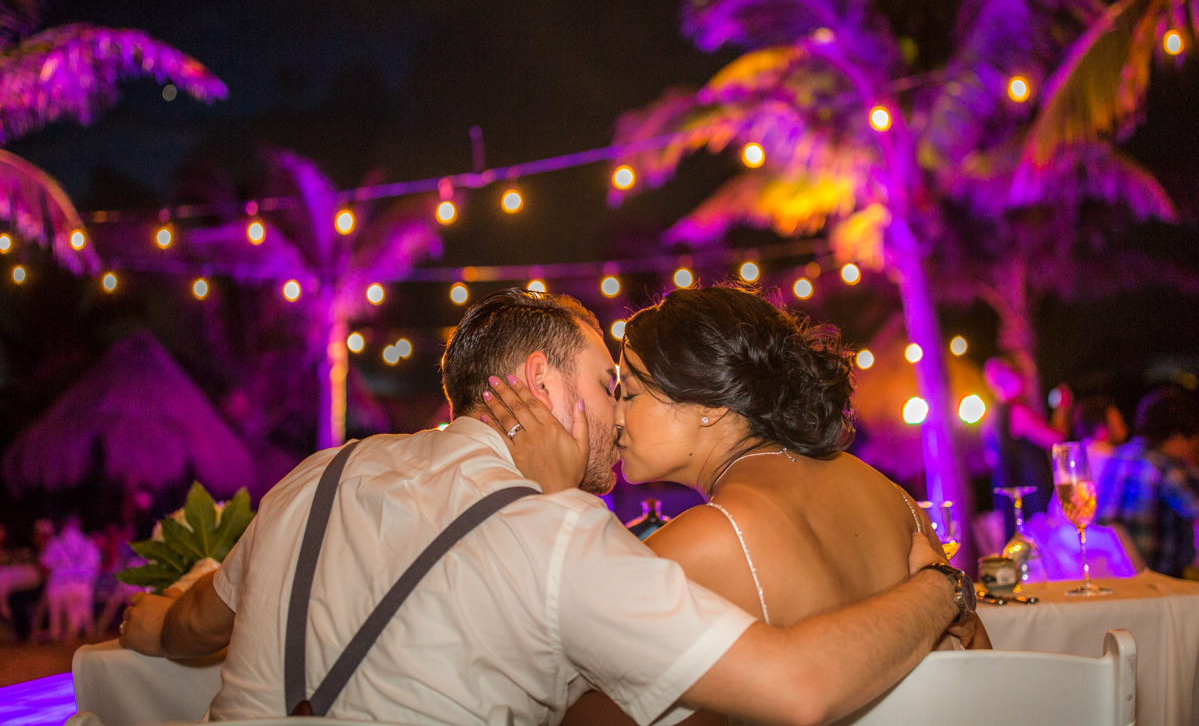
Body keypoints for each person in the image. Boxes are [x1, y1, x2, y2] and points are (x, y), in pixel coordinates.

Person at [121, 289, 976, 726]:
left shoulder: (316, 474)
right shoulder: (561, 534)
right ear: (540, 387)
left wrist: (145, 622)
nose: (619, 410)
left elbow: (194, 624)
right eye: (612, 384)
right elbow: (795, 686)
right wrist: (945, 587)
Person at [482, 286, 986, 726]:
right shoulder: (893, 496)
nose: (613, 416)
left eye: (629, 393)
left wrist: (550, 500)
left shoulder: (709, 539)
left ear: (709, 405)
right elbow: (985, 666)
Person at [1096, 385, 1199, 578]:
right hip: (1158, 581)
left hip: (1116, 574)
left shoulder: (1117, 456)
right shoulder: (1165, 467)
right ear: (1178, 436)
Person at [982, 357, 1064, 539]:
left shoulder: (992, 416)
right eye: (1022, 376)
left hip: (1009, 494)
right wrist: (1063, 409)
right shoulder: (1017, 411)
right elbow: (1056, 439)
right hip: (1031, 494)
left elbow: (990, 458)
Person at [41, 514, 101, 641]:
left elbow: (45, 565)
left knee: (56, 600)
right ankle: (76, 630)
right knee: (76, 602)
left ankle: (56, 633)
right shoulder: (88, 542)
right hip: (83, 586)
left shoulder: (56, 542)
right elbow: (96, 566)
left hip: (60, 586)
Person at [1071, 395, 1129, 485]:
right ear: (1100, 428)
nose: (1126, 427)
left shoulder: (1073, 459)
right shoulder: (1115, 458)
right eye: (1120, 422)